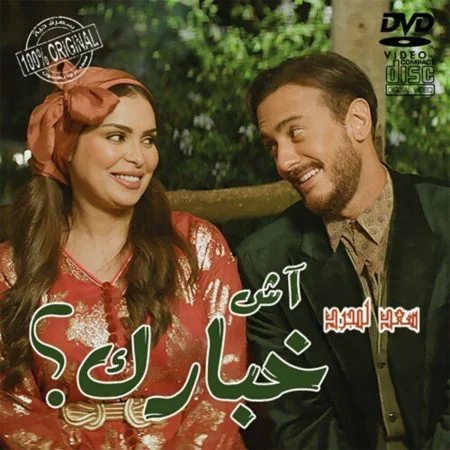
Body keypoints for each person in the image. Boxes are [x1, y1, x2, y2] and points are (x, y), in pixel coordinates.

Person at [0, 62, 246, 449]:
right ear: (67, 147)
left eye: (148, 140)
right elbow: (14, 408)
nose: (139, 157)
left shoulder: (197, 245)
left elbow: (223, 386)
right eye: (117, 136)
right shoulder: (13, 267)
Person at [237, 52, 449, 450]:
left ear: (358, 121)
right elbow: (300, 423)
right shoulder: (266, 263)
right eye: (271, 145)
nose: (283, 162)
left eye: (296, 132)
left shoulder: (445, 218)